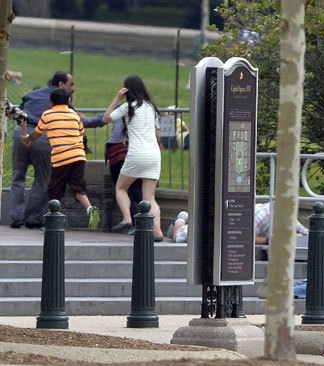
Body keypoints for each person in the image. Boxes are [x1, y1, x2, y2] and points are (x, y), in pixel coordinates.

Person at [21, 88, 100, 231]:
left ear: (51, 102)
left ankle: (51, 223)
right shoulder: (75, 115)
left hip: (61, 158)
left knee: (54, 190)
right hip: (78, 156)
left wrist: (28, 139)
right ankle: (90, 209)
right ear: (68, 101)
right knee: (78, 187)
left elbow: (37, 133)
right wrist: (86, 148)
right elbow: (82, 135)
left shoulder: (48, 114)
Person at [11, 71, 75, 229]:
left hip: (22, 133)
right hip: (43, 137)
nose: (73, 88)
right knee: (42, 178)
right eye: (71, 84)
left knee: (18, 175)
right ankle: (32, 219)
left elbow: (20, 112)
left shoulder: (32, 94)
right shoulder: (62, 100)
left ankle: (15, 217)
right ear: (61, 84)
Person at [103, 75, 163, 241]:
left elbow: (106, 118)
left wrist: (117, 97)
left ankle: (127, 218)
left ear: (127, 90)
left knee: (121, 187)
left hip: (136, 153)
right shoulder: (151, 107)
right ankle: (157, 231)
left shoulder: (128, 106)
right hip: (154, 155)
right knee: (150, 198)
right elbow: (157, 134)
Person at [169, 203, 309, 243]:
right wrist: (271, 240)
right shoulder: (263, 216)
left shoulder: (287, 216)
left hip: (243, 226)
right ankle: (182, 218)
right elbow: (247, 237)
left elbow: (306, 232)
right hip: (230, 223)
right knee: (178, 237)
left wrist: (300, 237)